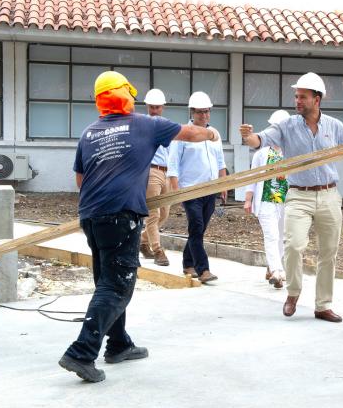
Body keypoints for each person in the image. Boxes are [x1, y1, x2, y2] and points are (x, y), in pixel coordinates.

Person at [59, 71, 218, 383]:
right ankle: (81, 352)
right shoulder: (146, 124)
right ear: (127, 96)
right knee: (117, 286)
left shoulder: (89, 132)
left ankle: (118, 345)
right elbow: (190, 133)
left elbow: (80, 180)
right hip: (121, 215)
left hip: (91, 216)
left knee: (109, 281)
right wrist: (212, 135)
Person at [240, 72, 343, 323]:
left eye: (302, 97)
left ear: (317, 99)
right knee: (293, 245)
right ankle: (293, 293)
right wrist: (248, 136)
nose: (297, 101)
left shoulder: (335, 127)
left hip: (329, 195)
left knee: (328, 252)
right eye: (296, 96)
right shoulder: (286, 125)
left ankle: (323, 305)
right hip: (299, 195)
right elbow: (260, 140)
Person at [167, 91, 227, 284]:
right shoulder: (183, 134)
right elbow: (173, 165)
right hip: (190, 190)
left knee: (198, 230)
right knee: (197, 226)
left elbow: (220, 162)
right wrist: (176, 192)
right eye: (200, 112)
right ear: (192, 112)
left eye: (207, 111)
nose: (204, 115)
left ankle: (187, 263)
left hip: (209, 189)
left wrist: (224, 185)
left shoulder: (214, 134)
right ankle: (203, 270)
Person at [244, 109, 291, 289]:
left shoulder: (292, 152)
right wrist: (248, 200)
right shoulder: (261, 153)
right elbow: (252, 179)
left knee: (282, 237)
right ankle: (278, 271)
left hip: (286, 202)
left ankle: (273, 266)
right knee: (271, 236)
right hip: (266, 201)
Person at [139, 88, 172, 266]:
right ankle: (158, 250)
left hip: (165, 171)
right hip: (151, 171)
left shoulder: (167, 125)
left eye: (157, 107)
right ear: (147, 107)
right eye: (151, 107)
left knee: (164, 213)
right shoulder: (143, 124)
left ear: (163, 107)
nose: (154, 110)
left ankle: (143, 241)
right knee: (153, 213)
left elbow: (171, 150)